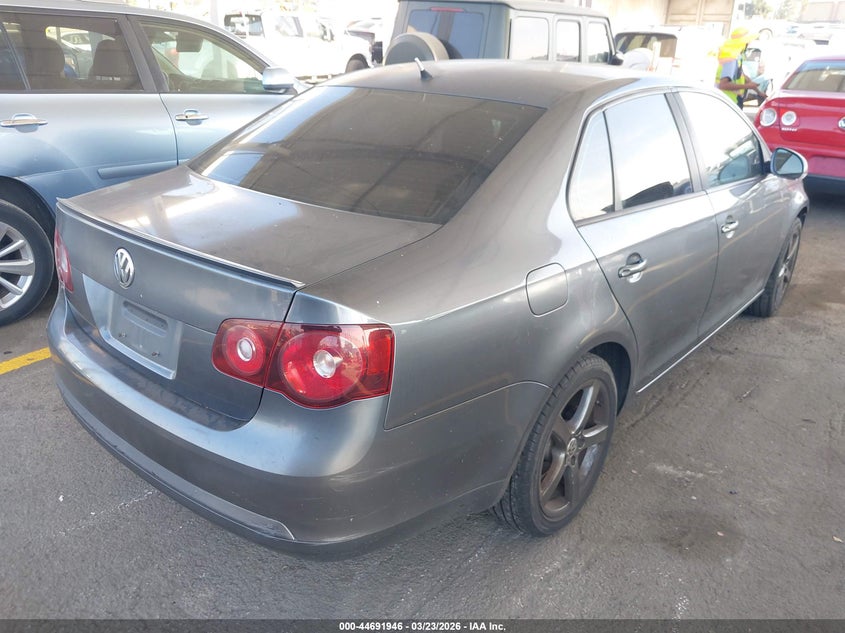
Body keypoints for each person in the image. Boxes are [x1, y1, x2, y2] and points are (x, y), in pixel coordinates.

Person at [715, 27, 768, 107]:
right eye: (748, 42)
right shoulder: (731, 60)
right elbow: (723, 85)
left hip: (728, 101)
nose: (749, 44)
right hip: (727, 102)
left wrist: (758, 91)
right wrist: (747, 86)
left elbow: (743, 77)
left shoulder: (736, 57)